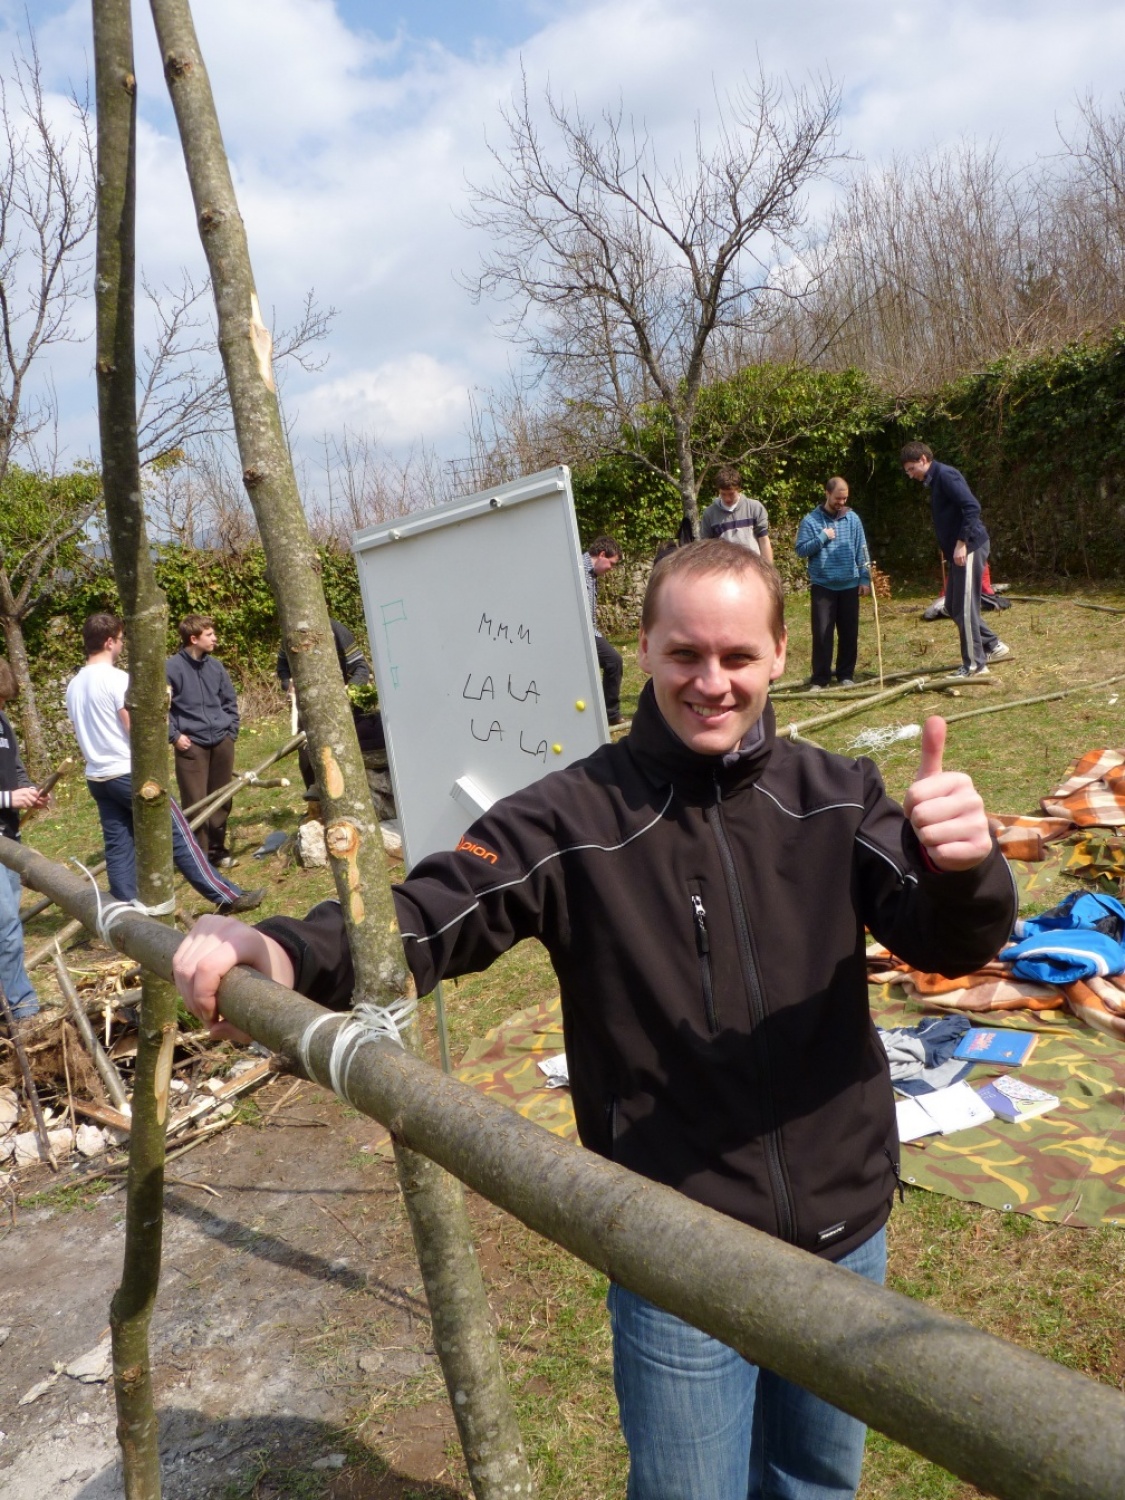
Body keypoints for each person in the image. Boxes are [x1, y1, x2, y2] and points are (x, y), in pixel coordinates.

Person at [174, 543, 1015, 1500]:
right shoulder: (569, 817)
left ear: (780, 654)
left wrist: (965, 871)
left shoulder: (837, 795)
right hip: (675, 1248)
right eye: (684, 654)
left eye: (737, 656)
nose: (711, 682)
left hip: (842, 1226)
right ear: (644, 648)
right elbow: (430, 914)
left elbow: (947, 944)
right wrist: (282, 950)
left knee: (814, 1483)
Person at [66, 614, 263, 913]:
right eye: (120, 640)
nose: (122, 645)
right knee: (180, 835)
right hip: (128, 774)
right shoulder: (117, 680)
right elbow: (137, 730)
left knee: (119, 848)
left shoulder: (74, 684)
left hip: (97, 777)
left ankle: (124, 913)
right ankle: (227, 896)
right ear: (109, 642)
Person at [900, 443, 1010, 678]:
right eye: (907, 471)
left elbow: (972, 507)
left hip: (970, 547)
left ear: (923, 459)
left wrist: (961, 542)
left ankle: (975, 665)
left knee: (966, 607)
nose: (910, 475)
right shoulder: (935, 481)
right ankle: (992, 644)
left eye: (911, 469)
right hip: (958, 552)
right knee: (952, 606)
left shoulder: (946, 475)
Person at [166, 614, 240, 867]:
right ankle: (199, 858)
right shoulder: (171, 668)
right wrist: (174, 736)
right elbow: (161, 709)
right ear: (193, 639)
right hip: (191, 745)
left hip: (222, 741)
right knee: (195, 802)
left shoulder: (216, 667)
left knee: (222, 799)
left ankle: (217, 852)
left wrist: (231, 731)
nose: (215, 638)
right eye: (209, 635)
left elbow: (229, 700)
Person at [277, 618, 383, 791]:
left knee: (341, 762)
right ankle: (316, 801)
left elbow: (360, 667)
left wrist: (347, 691)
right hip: (308, 714)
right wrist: (287, 683)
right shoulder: (291, 634)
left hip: (343, 712)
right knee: (308, 762)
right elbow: (282, 667)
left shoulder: (337, 630)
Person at [0, 659, 48, 1022]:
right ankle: (22, 1006)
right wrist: (6, 799)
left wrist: (30, 791)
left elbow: (14, 769)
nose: (2, 706)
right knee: (6, 929)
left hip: (9, 838)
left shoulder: (3, 722)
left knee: (8, 924)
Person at [795, 478, 871, 690]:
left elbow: (862, 549)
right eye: (838, 498)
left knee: (849, 633)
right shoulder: (811, 521)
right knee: (822, 634)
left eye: (845, 498)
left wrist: (864, 578)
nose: (841, 502)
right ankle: (820, 678)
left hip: (849, 585)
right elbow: (801, 550)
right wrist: (822, 538)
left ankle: (846, 674)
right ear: (827, 493)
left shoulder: (852, 519)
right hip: (823, 586)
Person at [584, 536, 625, 726]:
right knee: (613, 661)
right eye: (612, 563)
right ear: (602, 555)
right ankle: (610, 714)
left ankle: (608, 714)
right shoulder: (577, 569)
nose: (611, 569)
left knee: (612, 662)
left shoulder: (591, 574)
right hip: (579, 635)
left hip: (589, 633)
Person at [700, 465, 774, 563]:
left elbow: (764, 541)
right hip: (724, 568)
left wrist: (768, 569)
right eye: (723, 494)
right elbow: (706, 549)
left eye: (731, 494)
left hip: (753, 566)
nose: (727, 498)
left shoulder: (755, 507)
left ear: (739, 489)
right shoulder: (709, 513)